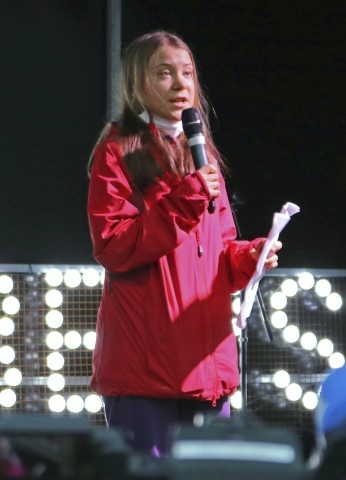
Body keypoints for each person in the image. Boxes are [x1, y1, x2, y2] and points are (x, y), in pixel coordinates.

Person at [87, 30, 282, 457]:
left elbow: (220, 262)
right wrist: (187, 197)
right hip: (144, 374)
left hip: (205, 370)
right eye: (165, 74)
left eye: (187, 73)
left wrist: (250, 257)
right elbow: (113, 246)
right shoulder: (116, 152)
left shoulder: (203, 158)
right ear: (139, 83)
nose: (181, 84)